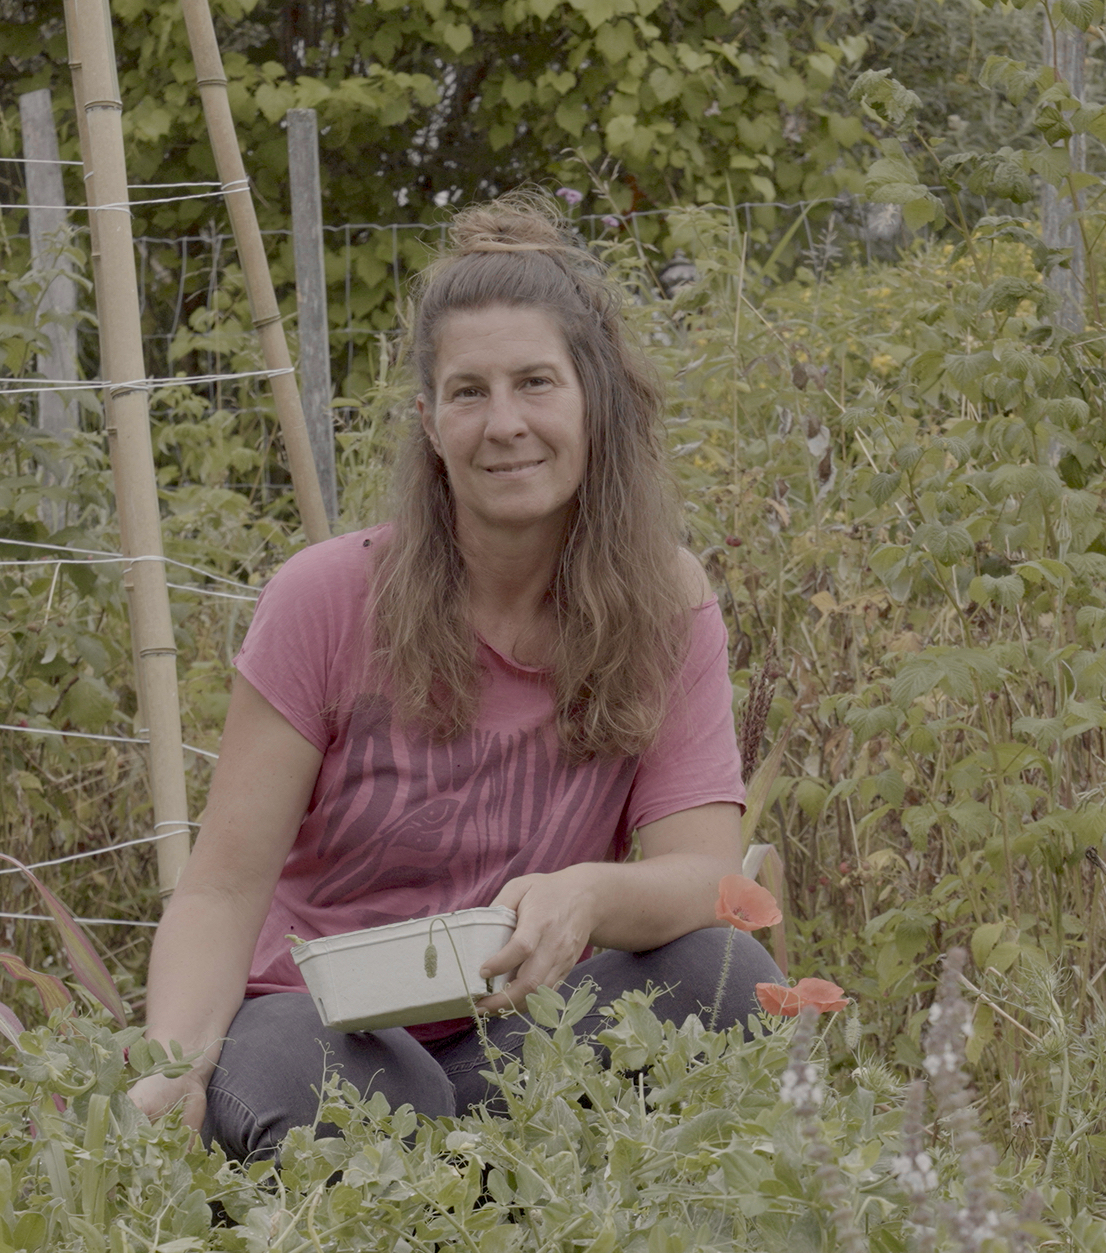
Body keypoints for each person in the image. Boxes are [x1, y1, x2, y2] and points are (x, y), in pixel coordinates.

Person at [128, 195, 778, 1159]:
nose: (505, 423)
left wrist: (588, 895)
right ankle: (470, 1194)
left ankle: (471, 1186)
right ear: (428, 423)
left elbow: (707, 874)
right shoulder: (328, 598)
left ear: (592, 398)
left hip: (530, 1033)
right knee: (311, 1084)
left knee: (726, 974)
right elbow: (220, 893)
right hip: (323, 1025)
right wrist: (176, 1064)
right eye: (469, 393)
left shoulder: (662, 601)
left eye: (535, 383)